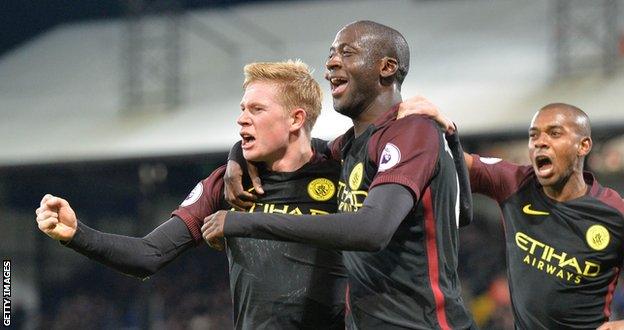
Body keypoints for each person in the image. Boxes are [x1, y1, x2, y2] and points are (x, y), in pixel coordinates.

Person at [35, 60, 349, 329]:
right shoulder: (224, 185)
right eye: (242, 109)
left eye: (257, 109)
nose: (242, 118)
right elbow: (149, 255)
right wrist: (76, 234)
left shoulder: (342, 167)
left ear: (296, 118)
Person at [203, 20, 475, 329]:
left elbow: (371, 230)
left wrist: (244, 222)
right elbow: (458, 214)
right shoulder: (348, 147)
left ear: (386, 67)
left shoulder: (411, 131)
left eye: (347, 53)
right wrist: (238, 155)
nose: (331, 62)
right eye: (332, 53)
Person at [417, 102, 624, 329]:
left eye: (554, 133)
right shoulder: (516, 183)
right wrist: (435, 126)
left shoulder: (614, 214)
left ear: (583, 146)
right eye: (533, 135)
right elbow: (455, 163)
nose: (540, 142)